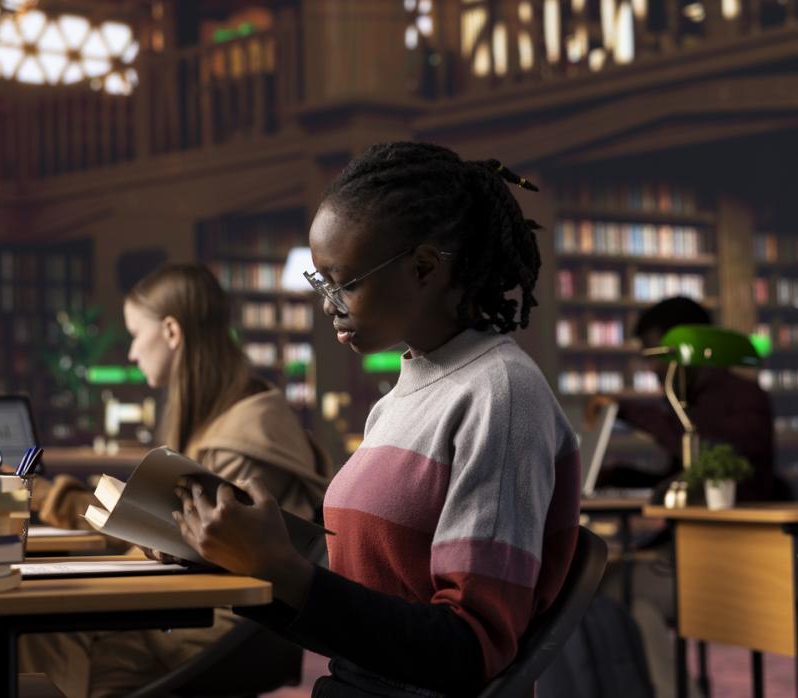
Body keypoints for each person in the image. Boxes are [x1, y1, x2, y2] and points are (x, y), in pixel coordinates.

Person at [171, 142, 581, 697]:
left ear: (424, 268)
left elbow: (468, 651)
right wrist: (225, 555)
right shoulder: (398, 401)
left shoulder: (499, 394)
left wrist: (285, 571)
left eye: (343, 282)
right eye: (321, 283)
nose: (328, 304)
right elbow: (355, 614)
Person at [20, 263, 330, 698]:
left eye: (134, 333)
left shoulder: (238, 439)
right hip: (204, 615)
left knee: (44, 627)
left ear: (170, 331)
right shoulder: (236, 417)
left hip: (211, 628)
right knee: (48, 621)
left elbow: (201, 556)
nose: (131, 352)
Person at [586, 295, 786, 502]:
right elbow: (682, 478)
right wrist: (615, 476)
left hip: (740, 526)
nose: (653, 368)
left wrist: (626, 410)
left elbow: (709, 459)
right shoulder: (687, 400)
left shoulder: (745, 397)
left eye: (658, 356)